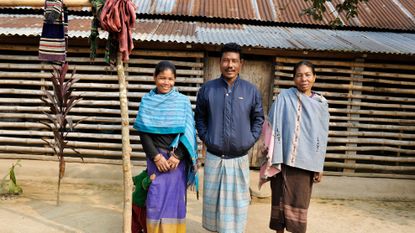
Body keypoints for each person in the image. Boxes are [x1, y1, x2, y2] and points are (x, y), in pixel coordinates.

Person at [195, 42, 264, 233]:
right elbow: (199, 117)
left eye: (234, 61)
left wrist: (249, 140)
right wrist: (207, 137)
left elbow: (258, 118)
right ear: (220, 62)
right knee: (213, 207)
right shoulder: (208, 89)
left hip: (239, 159)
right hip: (214, 157)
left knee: (237, 207)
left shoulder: (251, 91)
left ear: (241, 63)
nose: (230, 65)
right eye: (226, 60)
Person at [133, 60, 199, 233]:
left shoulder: (182, 102)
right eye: (162, 78)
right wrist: (156, 157)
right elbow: (143, 133)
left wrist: (178, 155)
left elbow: (189, 133)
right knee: (155, 199)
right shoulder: (147, 101)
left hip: (176, 162)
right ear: (154, 78)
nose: (166, 82)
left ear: (175, 80)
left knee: (175, 202)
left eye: (170, 79)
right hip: (156, 160)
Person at [265, 60, 330, 233]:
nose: (304, 79)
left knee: (299, 204)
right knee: (278, 201)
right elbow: (271, 124)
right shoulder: (284, 97)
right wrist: (271, 153)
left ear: (314, 77)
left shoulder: (321, 104)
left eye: (308, 75)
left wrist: (319, 166)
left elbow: (322, 137)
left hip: (306, 164)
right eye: (299, 75)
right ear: (294, 78)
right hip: (282, 159)